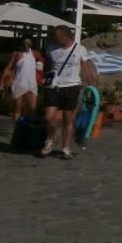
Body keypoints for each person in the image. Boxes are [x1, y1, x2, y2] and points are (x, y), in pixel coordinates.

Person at [40, 25, 94, 159]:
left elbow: (85, 68)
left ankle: (66, 147)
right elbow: (48, 65)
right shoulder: (51, 48)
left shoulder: (80, 49)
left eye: (57, 37)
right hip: (54, 86)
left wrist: (91, 86)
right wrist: (44, 78)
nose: (55, 39)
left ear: (66, 36)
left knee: (67, 119)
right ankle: (51, 139)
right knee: (48, 117)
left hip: (72, 86)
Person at [0, 36, 44, 123]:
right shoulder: (16, 53)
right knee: (18, 109)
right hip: (18, 83)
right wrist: (2, 82)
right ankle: (18, 130)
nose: (26, 45)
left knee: (33, 109)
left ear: (31, 44)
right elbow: (8, 67)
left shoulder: (36, 53)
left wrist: (42, 76)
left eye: (28, 43)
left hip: (32, 84)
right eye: (24, 43)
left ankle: (28, 127)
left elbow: (43, 64)